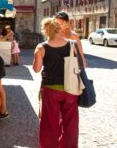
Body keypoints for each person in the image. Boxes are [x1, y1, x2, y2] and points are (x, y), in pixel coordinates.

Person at [33, 18, 79, 148]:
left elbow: (36, 69)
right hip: (71, 89)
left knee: (49, 123)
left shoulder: (41, 47)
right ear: (59, 29)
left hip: (51, 89)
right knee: (70, 124)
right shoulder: (72, 44)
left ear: (46, 31)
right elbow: (83, 65)